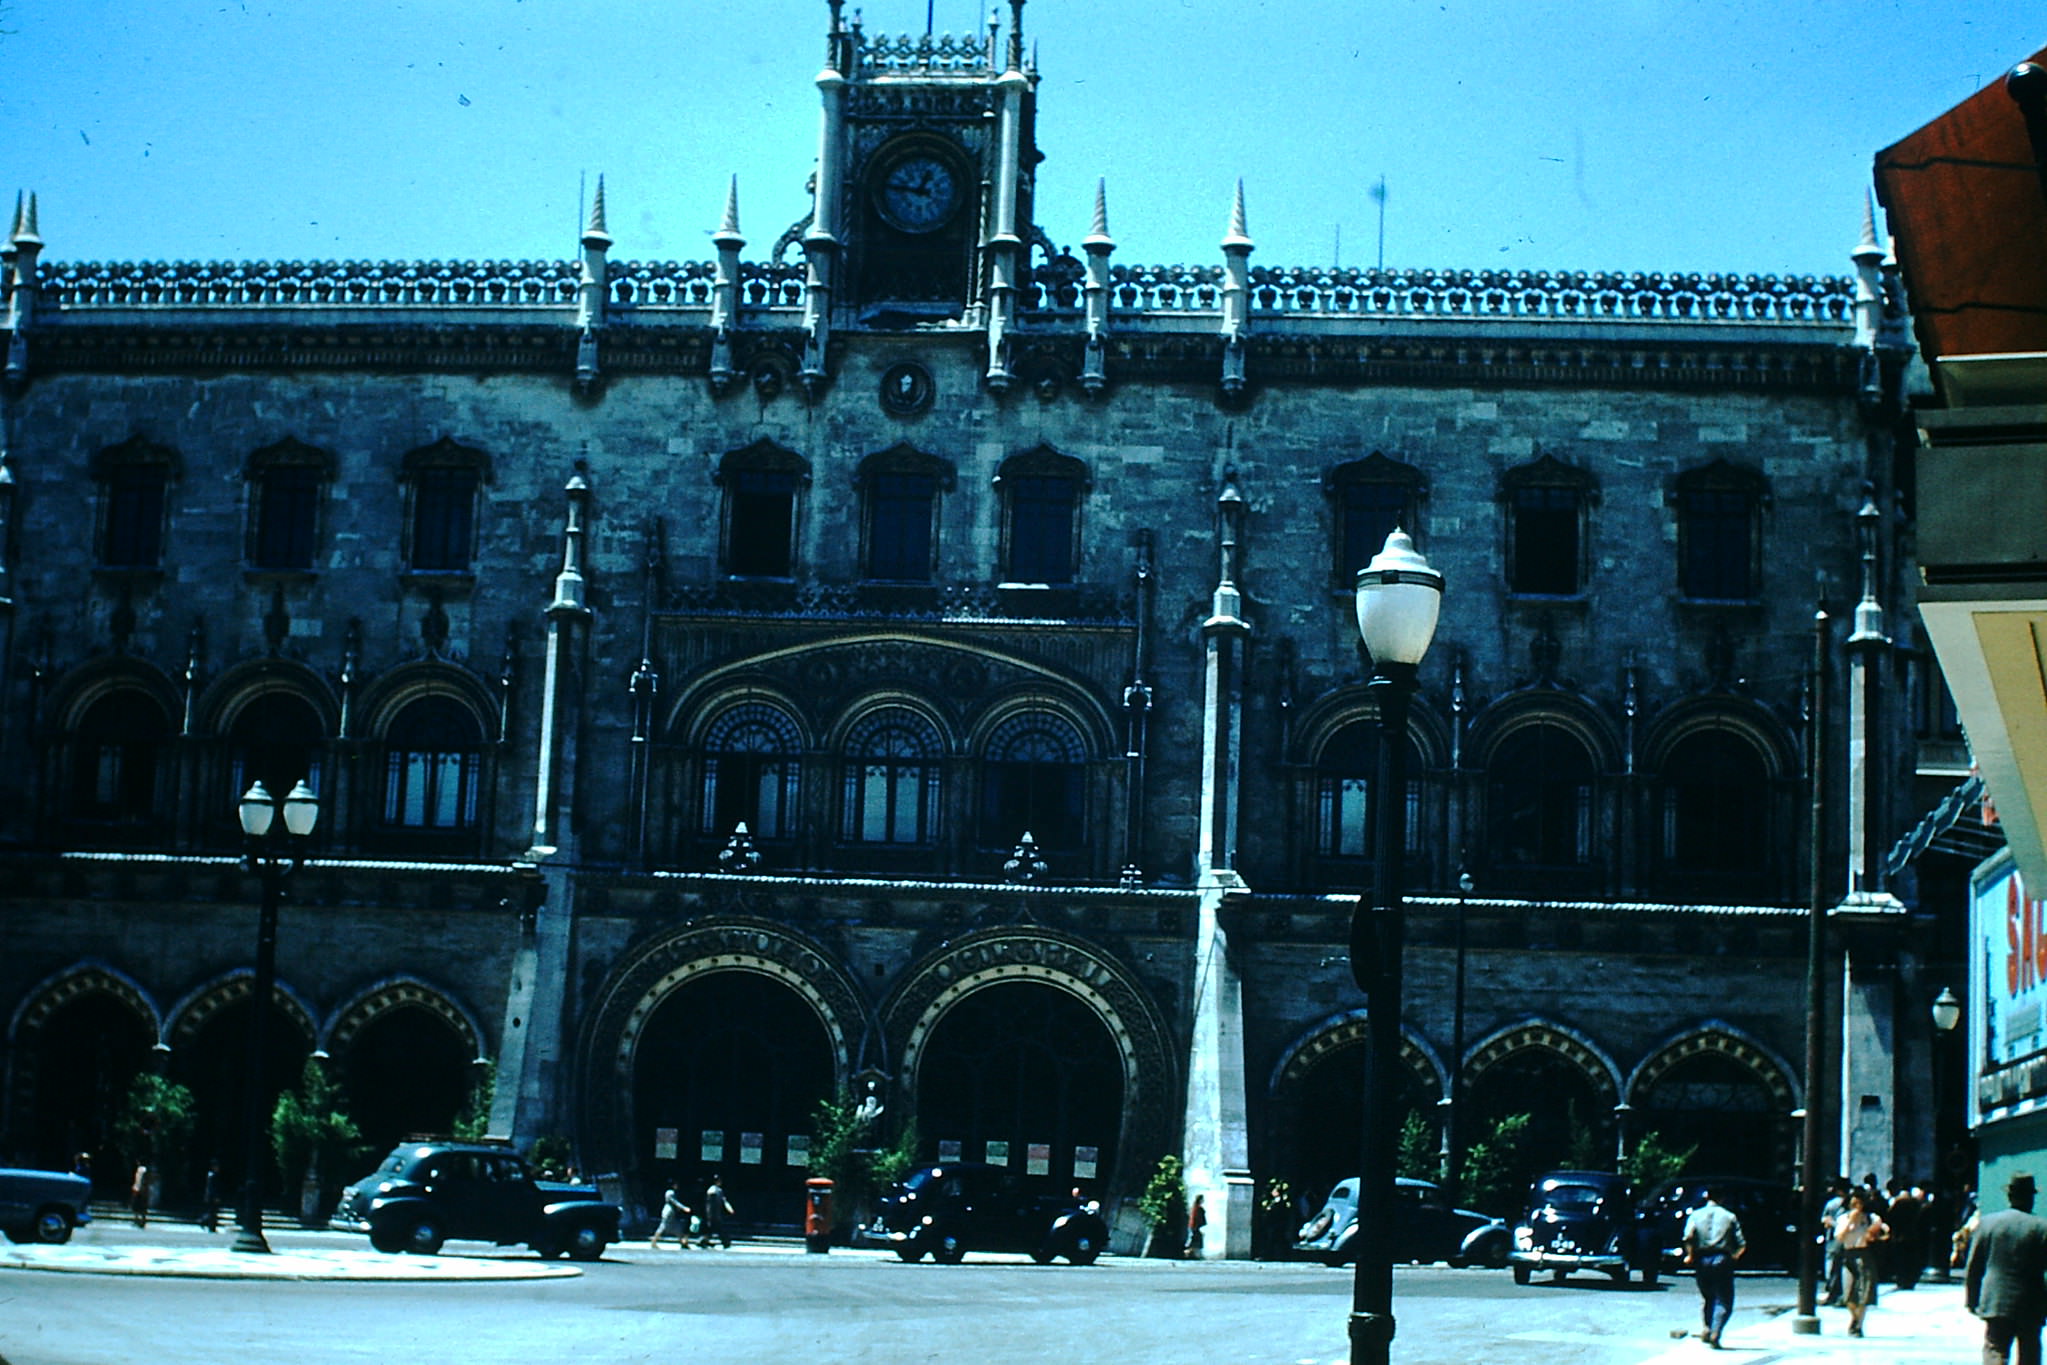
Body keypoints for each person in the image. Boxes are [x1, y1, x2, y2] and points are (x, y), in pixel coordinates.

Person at [1967, 1172, 2047, 1365]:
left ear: (2009, 1196)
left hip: (1996, 1300)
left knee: (1995, 1349)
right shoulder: (2041, 1227)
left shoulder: (1988, 1224)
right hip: (2031, 1301)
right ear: (2031, 1197)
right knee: (2030, 1352)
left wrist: (1972, 1299)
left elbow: (1974, 1267)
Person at [1681, 1185, 1747, 1348]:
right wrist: (1734, 1257)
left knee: (1708, 1297)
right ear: (1722, 1198)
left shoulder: (1695, 1215)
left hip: (1702, 1258)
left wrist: (1689, 1255)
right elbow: (1742, 1244)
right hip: (1722, 1258)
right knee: (1723, 1300)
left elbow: (1688, 1237)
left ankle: (1707, 1327)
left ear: (1707, 1196)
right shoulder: (1729, 1216)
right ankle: (1716, 1331)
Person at [1836, 1185, 1892, 1338]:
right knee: (1848, 1294)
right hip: (1848, 1254)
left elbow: (1881, 1231)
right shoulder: (1842, 1219)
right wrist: (1850, 1223)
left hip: (1864, 1253)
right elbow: (1840, 1237)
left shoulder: (1871, 1218)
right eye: (1853, 1204)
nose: (1856, 1207)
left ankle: (1858, 1326)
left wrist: (1878, 1230)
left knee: (1864, 1292)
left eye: (1859, 1204)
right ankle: (1855, 1318)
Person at [1889, 1177, 1926, 1290]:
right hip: (1912, 1234)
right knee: (1911, 1259)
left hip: (1899, 1235)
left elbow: (1890, 1217)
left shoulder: (1898, 1201)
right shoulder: (1915, 1202)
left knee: (1901, 1259)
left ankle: (1901, 1280)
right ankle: (1910, 1281)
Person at [1820, 1178, 1849, 1305]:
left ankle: (1832, 1291)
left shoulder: (1831, 1204)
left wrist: (1834, 1224)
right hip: (1848, 1238)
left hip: (1832, 1238)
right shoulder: (1851, 1203)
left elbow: (1824, 1219)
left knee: (1831, 1265)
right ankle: (1842, 1293)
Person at [650, 1181, 692, 1250]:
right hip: (668, 1212)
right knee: (663, 1227)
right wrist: (684, 1208)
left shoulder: (671, 1192)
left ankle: (683, 1243)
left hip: (670, 1212)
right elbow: (675, 1202)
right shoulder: (670, 1193)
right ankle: (653, 1242)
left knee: (676, 1228)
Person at [701, 1173, 734, 1249]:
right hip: (713, 1214)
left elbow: (724, 1200)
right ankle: (726, 1242)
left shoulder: (718, 1190)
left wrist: (729, 1208)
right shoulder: (712, 1191)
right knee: (719, 1229)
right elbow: (710, 1205)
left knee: (712, 1230)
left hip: (715, 1213)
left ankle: (703, 1241)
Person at [199, 1159, 222, 1234]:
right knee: (212, 1212)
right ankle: (208, 1225)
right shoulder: (213, 1176)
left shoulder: (211, 1175)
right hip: (212, 1197)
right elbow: (212, 1188)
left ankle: (208, 1224)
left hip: (210, 1196)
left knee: (212, 1212)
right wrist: (216, 1197)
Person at [1184, 1193, 1207, 1259]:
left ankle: (1192, 1253)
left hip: (1195, 1227)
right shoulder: (1197, 1208)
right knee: (1196, 1241)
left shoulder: (1196, 1207)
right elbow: (1196, 1218)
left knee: (1195, 1240)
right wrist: (1195, 1227)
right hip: (1195, 1227)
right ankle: (1189, 1253)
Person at [129, 1161, 151, 1228]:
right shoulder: (141, 1169)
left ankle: (139, 1219)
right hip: (140, 1189)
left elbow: (140, 1181)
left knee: (139, 1205)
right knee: (140, 1206)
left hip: (139, 1190)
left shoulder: (141, 1170)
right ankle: (140, 1219)